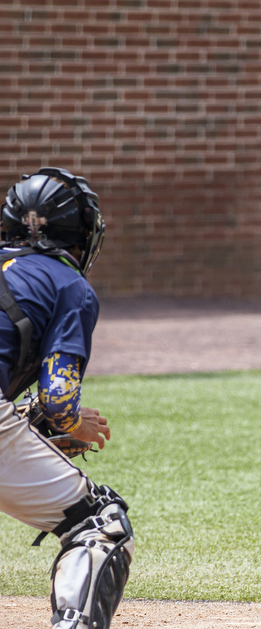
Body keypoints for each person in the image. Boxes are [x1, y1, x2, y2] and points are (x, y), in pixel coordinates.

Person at [0, 168, 135, 629]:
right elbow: (59, 398)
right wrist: (71, 424)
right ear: (81, 235)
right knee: (100, 522)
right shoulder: (68, 284)